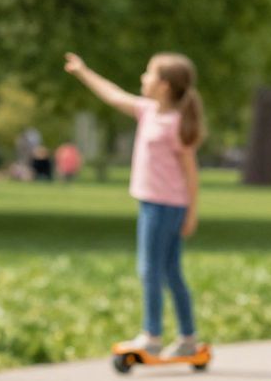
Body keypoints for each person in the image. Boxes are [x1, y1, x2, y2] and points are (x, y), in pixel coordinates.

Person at [65, 50, 204, 357]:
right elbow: (113, 95)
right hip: (153, 203)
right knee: (169, 272)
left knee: (150, 269)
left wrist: (192, 213)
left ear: (165, 85)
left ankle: (152, 336)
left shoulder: (175, 123)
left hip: (166, 205)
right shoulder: (147, 111)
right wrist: (83, 71)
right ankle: (188, 338)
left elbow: (190, 174)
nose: (143, 78)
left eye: (149, 73)